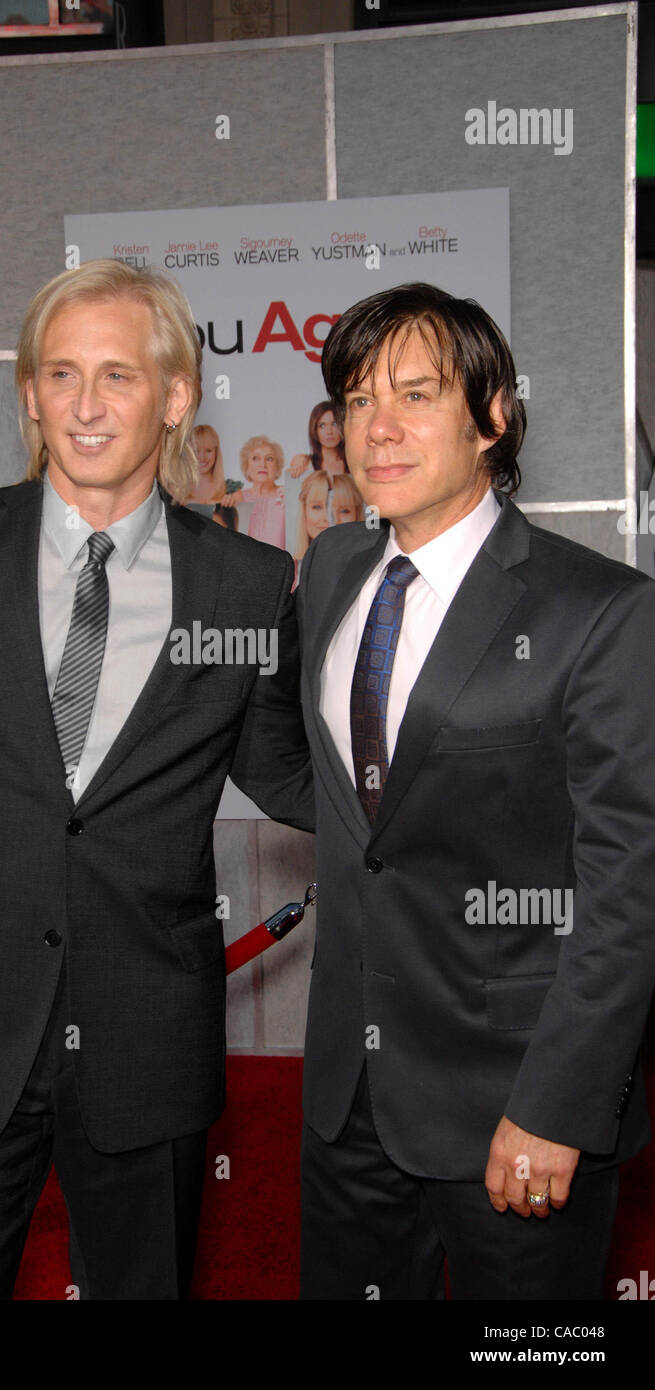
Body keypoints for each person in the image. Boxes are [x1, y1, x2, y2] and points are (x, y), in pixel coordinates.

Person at [0, 258, 314, 1302]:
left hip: (147, 1038)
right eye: (59, 373)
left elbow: (289, 776)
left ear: (173, 398)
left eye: (118, 376)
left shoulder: (246, 583)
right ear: (30, 391)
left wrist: (468, 796)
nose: (85, 405)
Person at [296, 280, 655, 1301]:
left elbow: (626, 895)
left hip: (514, 1104)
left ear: (491, 417)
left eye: (414, 394)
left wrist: (556, 1106)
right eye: (358, 400)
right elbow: (355, 798)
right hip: (347, 1098)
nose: (378, 427)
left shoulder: (598, 613)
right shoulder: (329, 570)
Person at [223, 435, 287, 551]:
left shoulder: (286, 496)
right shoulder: (237, 499)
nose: (262, 464)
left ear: (277, 466)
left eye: (269, 459)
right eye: (255, 458)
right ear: (246, 466)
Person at [291, 469, 331, 590]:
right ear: (305, 510)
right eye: (317, 507)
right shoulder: (289, 570)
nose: (326, 517)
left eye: (331, 506)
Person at [289, 401, 348, 479]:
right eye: (322, 426)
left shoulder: (352, 462)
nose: (329, 431)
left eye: (334, 424)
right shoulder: (305, 464)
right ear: (314, 430)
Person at [185, 423, 240, 506]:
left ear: (216, 453)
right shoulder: (178, 490)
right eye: (196, 451)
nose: (202, 457)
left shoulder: (231, 490)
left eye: (208, 451)